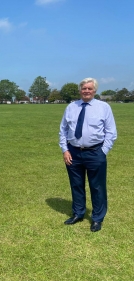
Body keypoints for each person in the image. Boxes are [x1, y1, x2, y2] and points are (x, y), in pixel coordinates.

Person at [59, 78, 117, 232]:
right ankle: (78, 213)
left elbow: (111, 132)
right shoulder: (71, 107)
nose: (86, 91)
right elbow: (63, 130)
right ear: (80, 90)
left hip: (95, 152)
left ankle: (97, 218)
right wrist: (65, 150)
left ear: (94, 91)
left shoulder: (104, 107)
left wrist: (103, 151)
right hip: (74, 153)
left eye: (89, 89)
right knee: (76, 185)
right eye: (84, 88)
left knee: (97, 187)